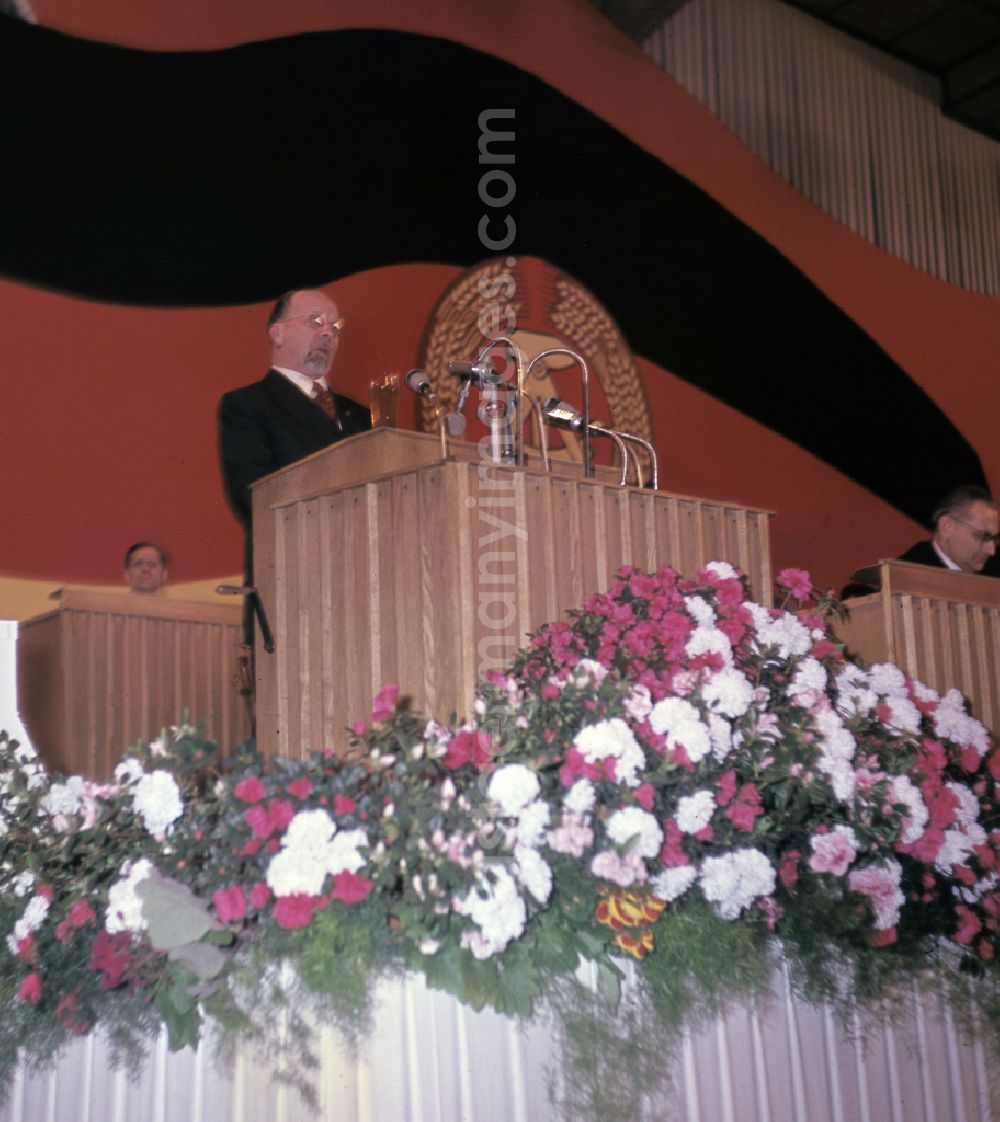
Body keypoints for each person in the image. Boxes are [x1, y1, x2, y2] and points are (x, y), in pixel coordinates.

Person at [218, 288, 370, 532]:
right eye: (316, 321)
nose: (328, 333)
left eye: (336, 327)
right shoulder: (247, 405)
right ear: (278, 334)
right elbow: (252, 496)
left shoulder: (360, 414)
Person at [897, 485, 999, 575]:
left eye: (996, 538)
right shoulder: (905, 575)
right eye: (982, 536)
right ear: (947, 526)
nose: (992, 551)